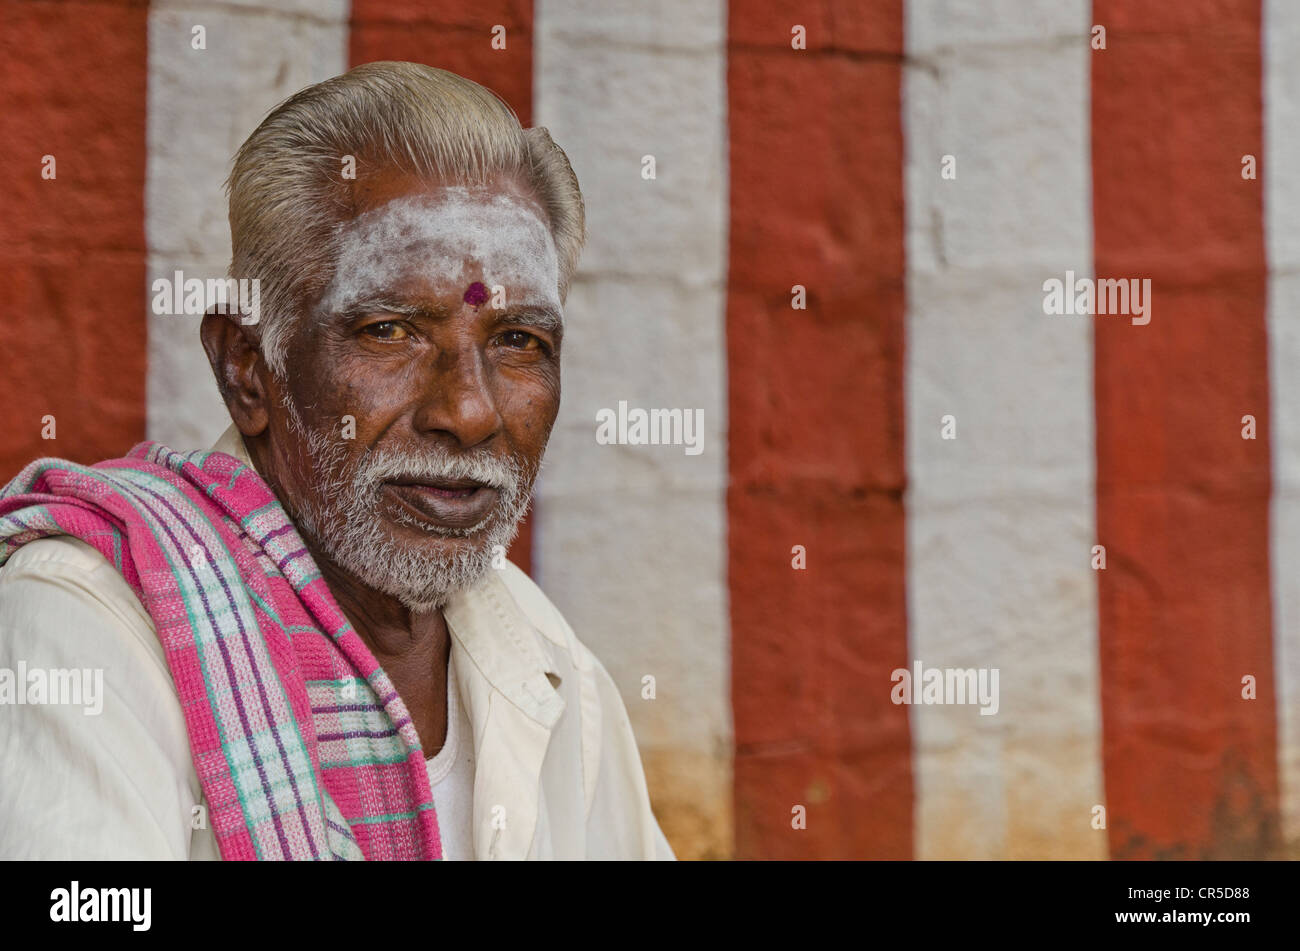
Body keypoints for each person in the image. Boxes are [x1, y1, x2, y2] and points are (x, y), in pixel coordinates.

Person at [0, 61, 674, 861]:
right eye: (391, 330)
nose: (469, 412)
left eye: (518, 340)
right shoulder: (85, 626)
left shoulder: (543, 658)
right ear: (248, 367)